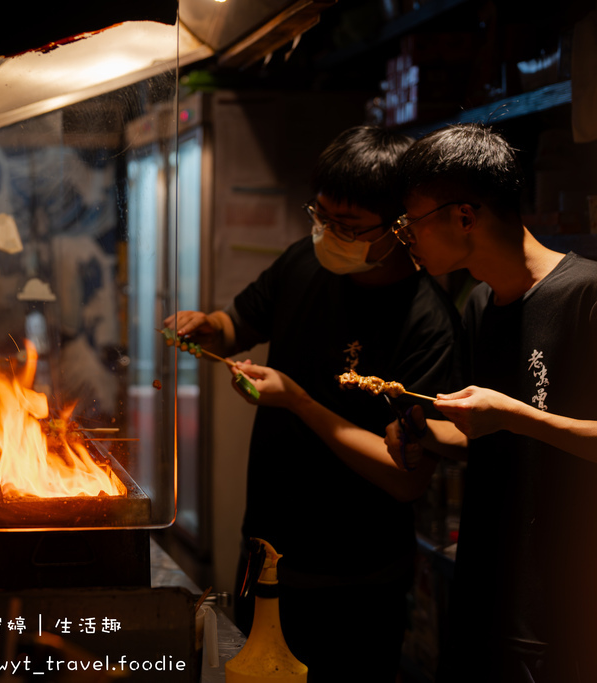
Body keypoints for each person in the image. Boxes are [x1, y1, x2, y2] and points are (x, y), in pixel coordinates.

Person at [166, 125, 463, 683]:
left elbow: (406, 479)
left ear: (400, 227)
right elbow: (237, 325)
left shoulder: (428, 324)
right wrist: (207, 327)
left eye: (347, 226)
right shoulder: (305, 261)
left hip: (356, 577)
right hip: (265, 551)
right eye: (321, 216)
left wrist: (299, 401)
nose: (329, 233)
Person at [385, 123, 597, 682]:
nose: (406, 237)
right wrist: (425, 432)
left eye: (413, 221)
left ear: (463, 216)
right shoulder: (480, 303)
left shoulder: (585, 294)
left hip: (559, 606)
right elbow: (486, 439)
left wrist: (513, 413)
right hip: (484, 587)